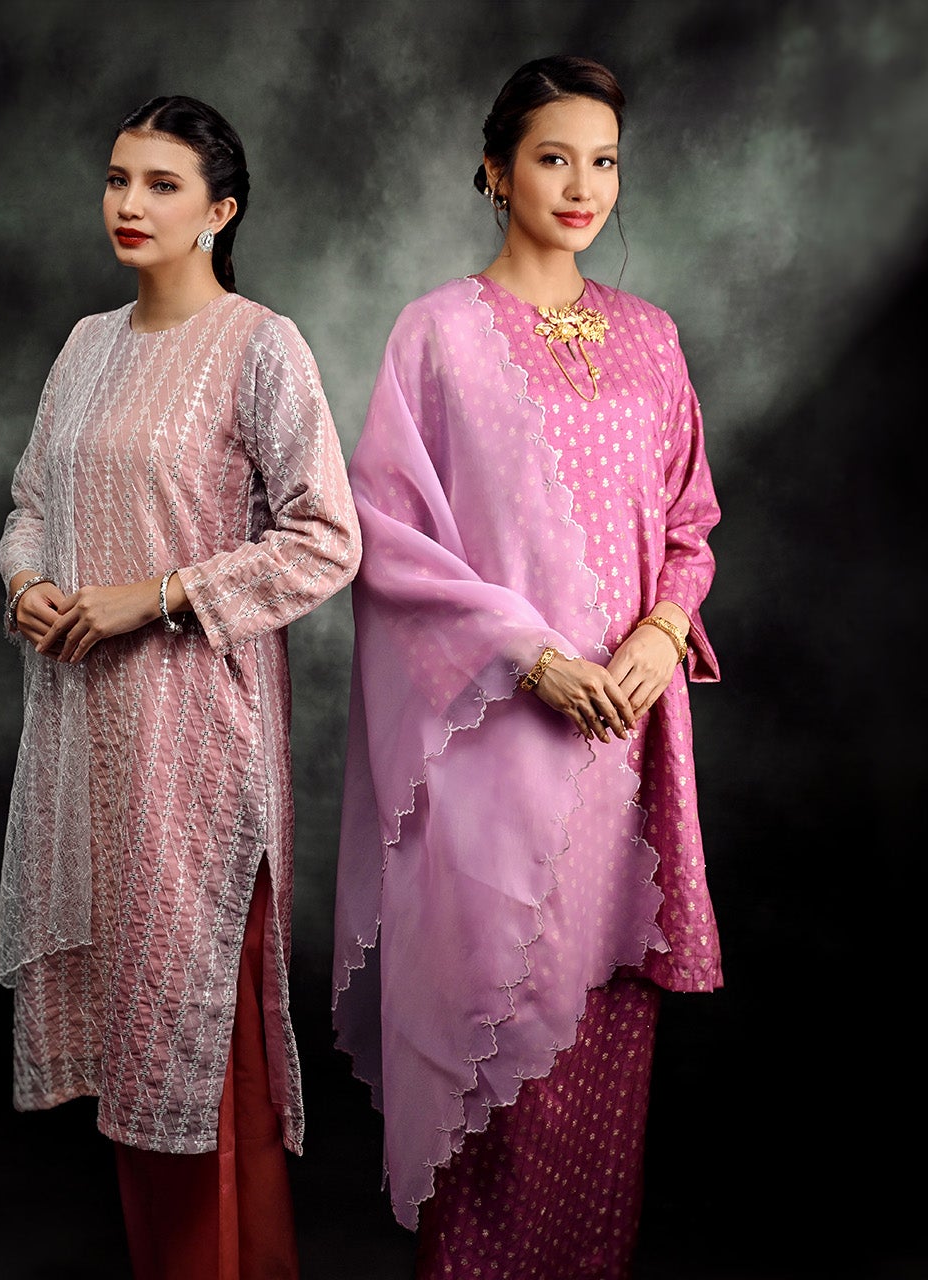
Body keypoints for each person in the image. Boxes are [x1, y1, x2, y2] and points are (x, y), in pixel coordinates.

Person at [332, 56, 725, 1278]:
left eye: (603, 160)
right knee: (495, 1027)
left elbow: (690, 523)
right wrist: (530, 655)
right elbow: (388, 537)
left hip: (627, 741)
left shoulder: (651, 338)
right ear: (497, 170)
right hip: (495, 736)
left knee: (608, 1025)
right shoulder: (438, 335)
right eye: (555, 157)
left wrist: (660, 634)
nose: (583, 184)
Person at [0, 94, 360, 1280]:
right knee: (129, 1041)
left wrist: (150, 595)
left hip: (197, 744)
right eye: (118, 178)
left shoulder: (260, 345)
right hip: (82, 742)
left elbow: (326, 538)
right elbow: (30, 505)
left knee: (199, 1039)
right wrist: (29, 584)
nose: (129, 203)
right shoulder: (85, 345)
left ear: (221, 210)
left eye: (161, 184)